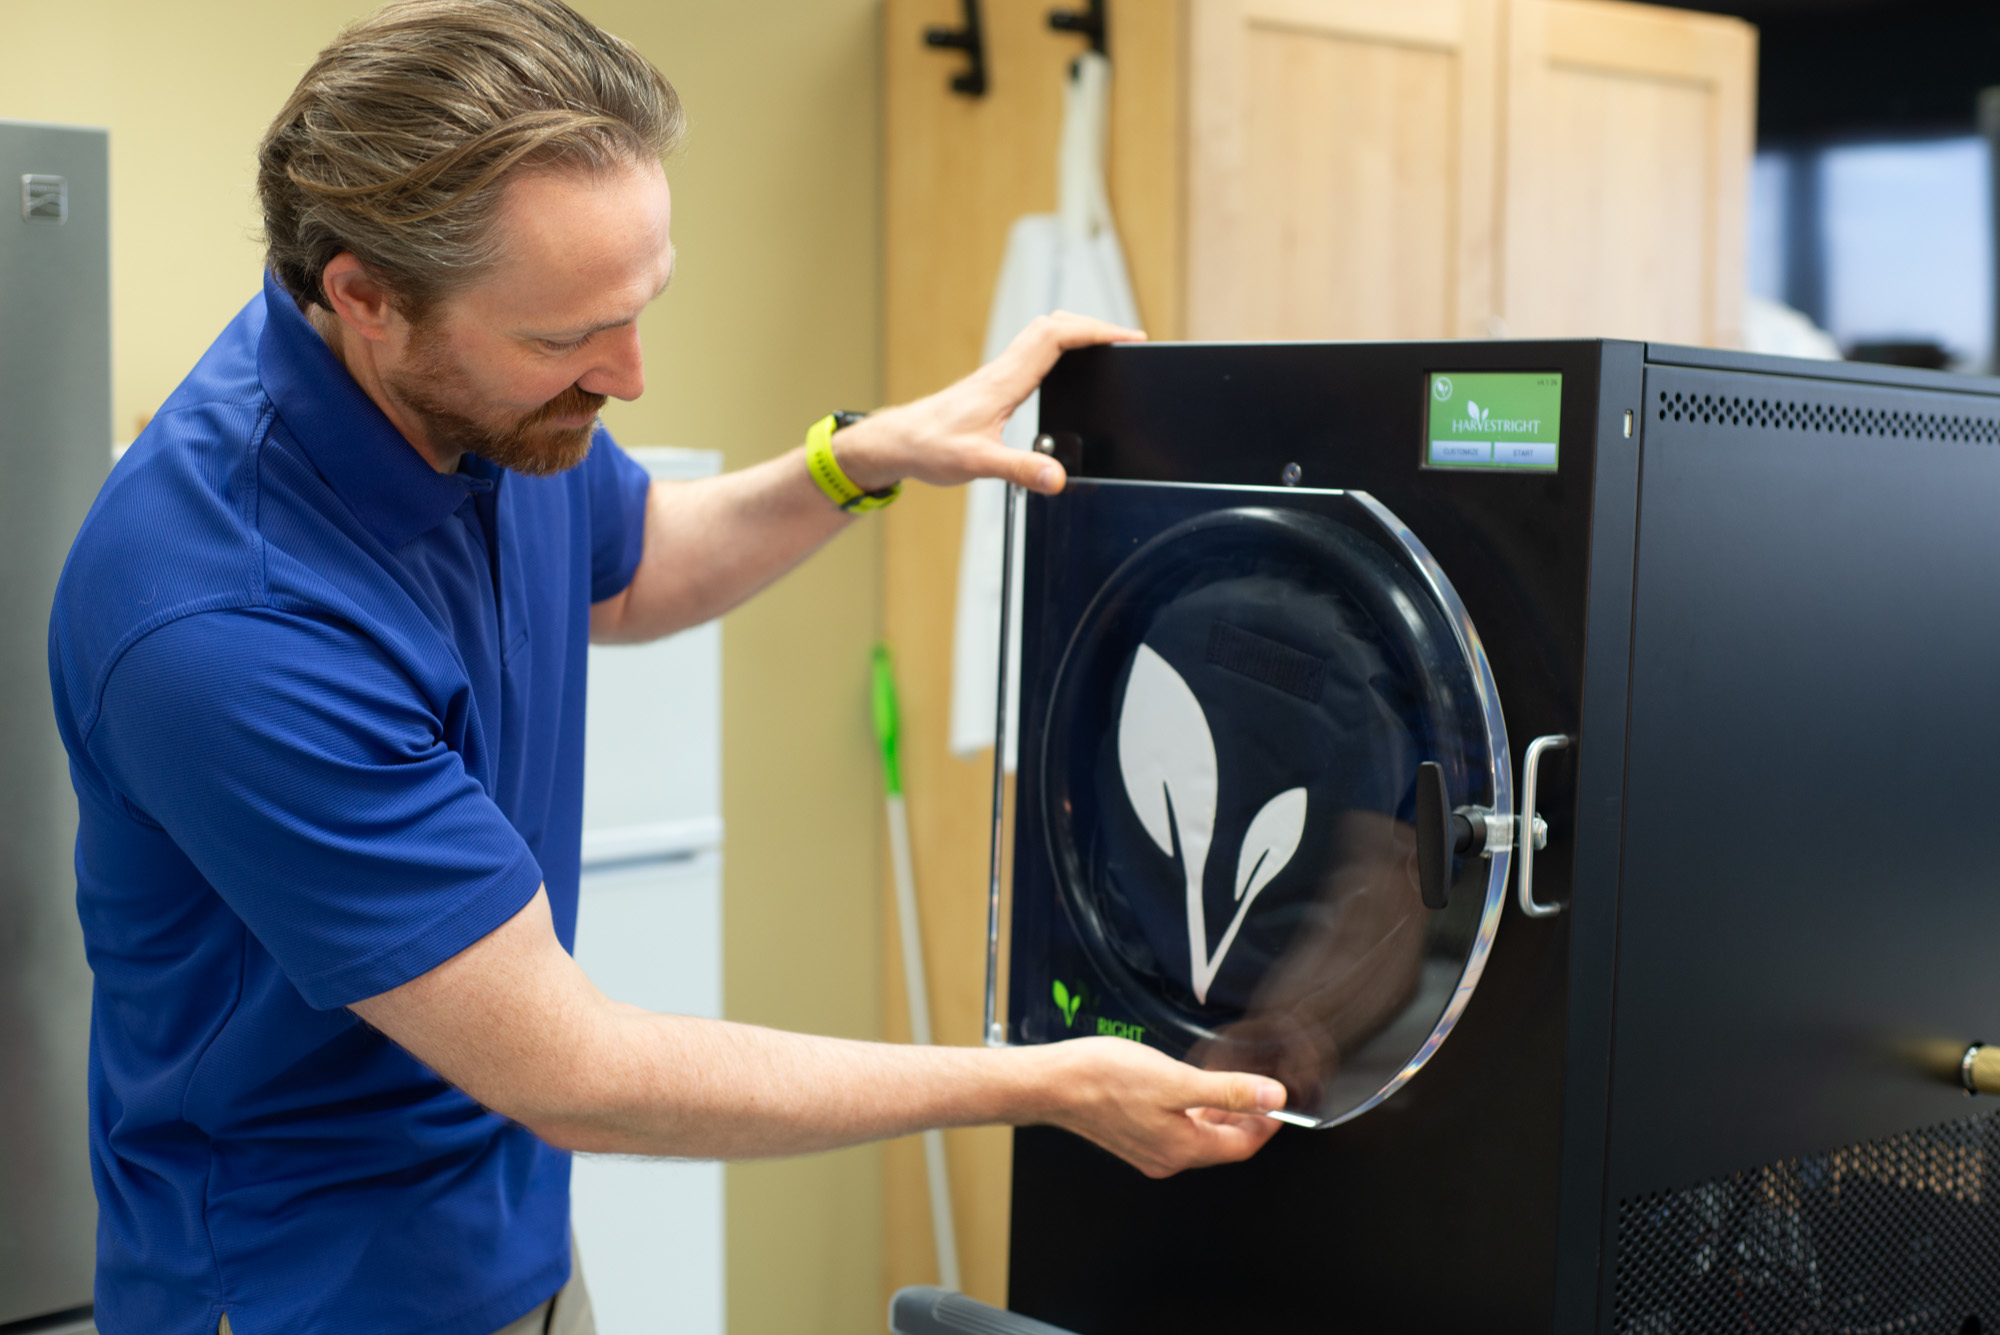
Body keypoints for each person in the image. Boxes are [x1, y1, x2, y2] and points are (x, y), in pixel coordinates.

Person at [46, 3, 1284, 1333]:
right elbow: (572, 1068)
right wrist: (1037, 1083)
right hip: (310, 1293)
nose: (630, 376)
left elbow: (630, 565)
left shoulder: (479, 402)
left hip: (506, 1232)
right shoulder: (227, 620)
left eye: (643, 306)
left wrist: (860, 461)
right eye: (567, 337)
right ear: (364, 296)